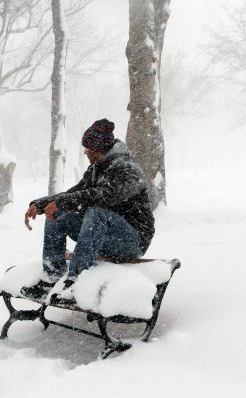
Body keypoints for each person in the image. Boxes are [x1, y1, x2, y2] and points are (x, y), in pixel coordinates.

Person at [22, 118, 155, 303]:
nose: (85, 152)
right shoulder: (96, 169)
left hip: (132, 241)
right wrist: (41, 205)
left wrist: (61, 202)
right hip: (103, 236)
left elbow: (105, 196)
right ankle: (51, 278)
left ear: (99, 149)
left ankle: (75, 283)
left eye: (88, 148)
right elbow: (75, 193)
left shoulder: (127, 168)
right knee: (57, 214)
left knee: (96, 211)